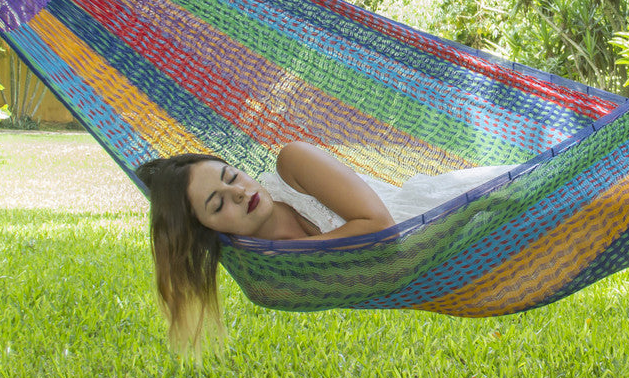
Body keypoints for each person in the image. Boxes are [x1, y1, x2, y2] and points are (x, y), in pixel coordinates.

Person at [136, 141, 512, 351]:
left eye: (232, 176)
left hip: (458, 204)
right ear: (209, 232)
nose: (239, 192)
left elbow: (383, 231)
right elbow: (388, 271)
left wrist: (292, 253)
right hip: (447, 260)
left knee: (560, 202)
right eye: (217, 204)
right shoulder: (265, 281)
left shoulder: (294, 163)